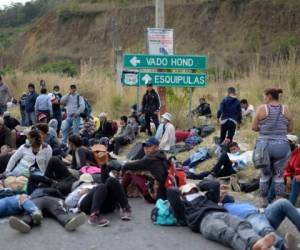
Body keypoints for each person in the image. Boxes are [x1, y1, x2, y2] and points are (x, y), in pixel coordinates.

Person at [167, 182, 276, 250]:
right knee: (227, 233)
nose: (192, 191)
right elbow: (171, 192)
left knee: (241, 224)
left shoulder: (207, 198)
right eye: (189, 190)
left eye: (194, 190)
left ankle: (257, 242)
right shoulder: (183, 206)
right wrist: (181, 189)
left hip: (221, 213)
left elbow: (214, 184)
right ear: (183, 194)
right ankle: (251, 247)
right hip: (204, 221)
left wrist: (198, 186)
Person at [252, 88, 293, 204]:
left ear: (269, 96)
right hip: (282, 146)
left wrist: (265, 129)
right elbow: (290, 129)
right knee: (279, 175)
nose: (264, 98)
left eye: (265, 96)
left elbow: (254, 127)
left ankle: (264, 202)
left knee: (265, 175)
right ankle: (279, 202)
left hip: (264, 146)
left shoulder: (262, 108)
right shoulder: (286, 109)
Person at [223, 198, 300, 250]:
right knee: (265, 229)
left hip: (262, 212)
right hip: (249, 218)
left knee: (283, 203)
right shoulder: (221, 208)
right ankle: (286, 246)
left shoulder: (236, 202)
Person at [122, 137, 168, 203]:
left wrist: (123, 167)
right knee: (140, 172)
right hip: (163, 194)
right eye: (145, 146)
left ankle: (120, 191)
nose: (146, 148)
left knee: (130, 171)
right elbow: (140, 164)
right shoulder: (161, 156)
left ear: (157, 147)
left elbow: (130, 166)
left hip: (153, 197)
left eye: (149, 146)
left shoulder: (150, 158)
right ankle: (122, 190)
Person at [9, 195, 87, 233]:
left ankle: (69, 222)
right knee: (32, 209)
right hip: (41, 199)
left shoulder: (51, 189)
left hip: (48, 200)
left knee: (32, 210)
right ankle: (24, 223)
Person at [284, 134, 300, 205]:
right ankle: (270, 201)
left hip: (297, 177)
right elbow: (286, 168)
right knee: (277, 177)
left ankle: (290, 205)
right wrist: (287, 177)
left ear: (295, 143)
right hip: (294, 176)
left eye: (288, 143)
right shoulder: (288, 153)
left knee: (296, 180)